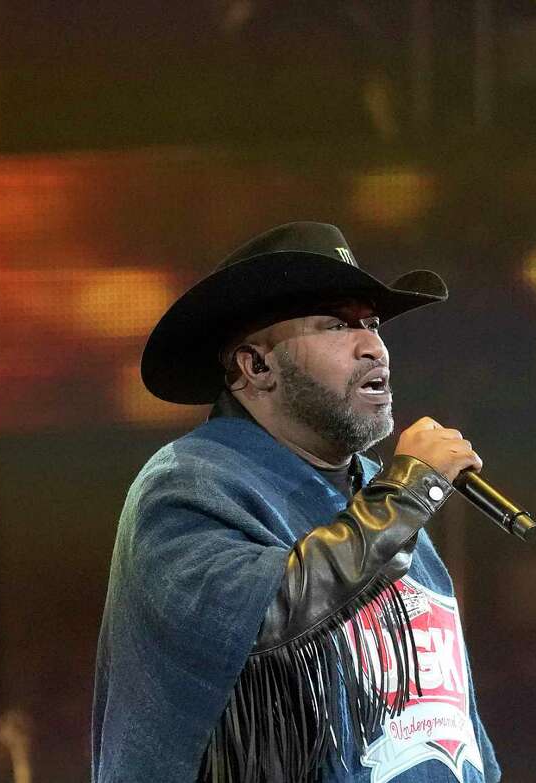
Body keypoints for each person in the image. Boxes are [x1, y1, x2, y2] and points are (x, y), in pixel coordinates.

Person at [92, 222, 501, 783]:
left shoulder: (388, 500)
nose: (373, 347)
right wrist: (407, 494)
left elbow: (453, 729)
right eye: (336, 324)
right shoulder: (189, 484)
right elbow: (262, 618)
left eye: (372, 324)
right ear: (254, 366)